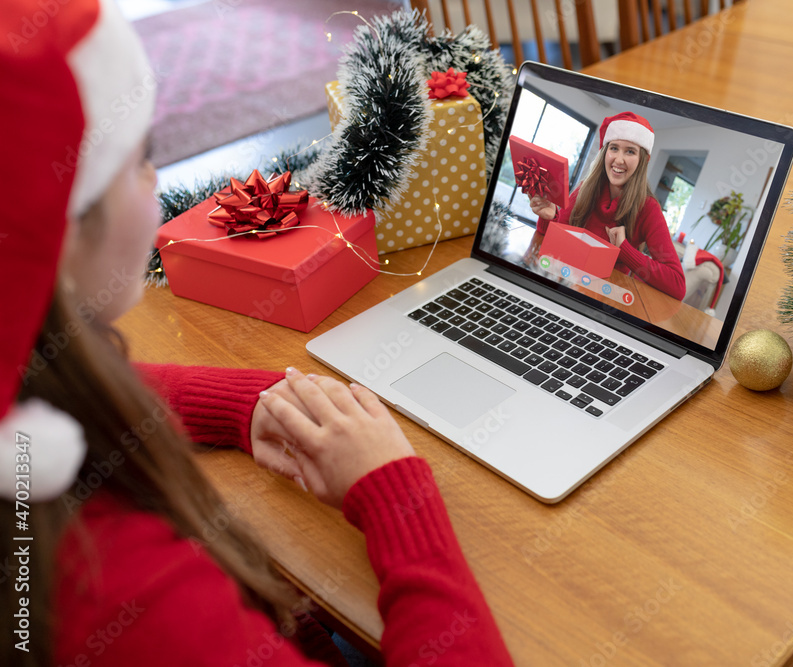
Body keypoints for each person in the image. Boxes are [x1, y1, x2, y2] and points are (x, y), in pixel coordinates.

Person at [0, 2, 513, 666]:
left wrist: (247, 404)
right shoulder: (134, 602)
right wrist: (396, 493)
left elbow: (72, 390)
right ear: (57, 231)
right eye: (140, 158)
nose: (156, 179)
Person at [528, 112, 686, 301]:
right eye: (614, 148)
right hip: (564, 283)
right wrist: (548, 218)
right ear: (605, 152)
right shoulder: (586, 187)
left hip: (602, 299)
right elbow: (556, 240)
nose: (619, 160)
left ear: (643, 159)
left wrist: (624, 248)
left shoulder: (648, 208)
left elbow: (677, 285)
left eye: (630, 151)